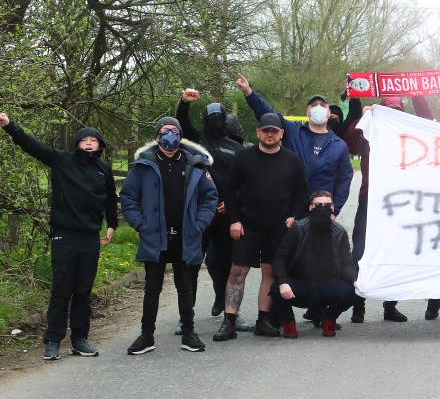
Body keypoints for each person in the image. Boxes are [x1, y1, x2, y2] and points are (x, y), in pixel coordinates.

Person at [0, 113, 118, 360]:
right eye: (85, 139)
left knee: (83, 291)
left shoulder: (103, 169)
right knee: (62, 290)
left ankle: (79, 340)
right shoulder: (61, 160)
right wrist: (10, 126)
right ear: (77, 143)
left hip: (90, 237)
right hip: (65, 236)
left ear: (100, 145)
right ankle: (52, 340)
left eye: (94, 140)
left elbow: (111, 200)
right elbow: (32, 145)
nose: (89, 143)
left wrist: (112, 225)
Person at [121, 117, 218, 354]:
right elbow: (128, 197)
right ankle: (146, 336)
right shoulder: (144, 164)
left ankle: (188, 333)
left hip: (186, 235)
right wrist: (139, 224)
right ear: (157, 136)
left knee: (185, 286)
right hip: (154, 235)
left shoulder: (195, 163)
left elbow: (210, 197)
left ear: (181, 135)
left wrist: (199, 224)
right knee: (152, 288)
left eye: (175, 131)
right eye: (165, 131)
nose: (170, 136)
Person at [214, 113, 309, 342]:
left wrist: (293, 216)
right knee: (237, 272)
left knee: (270, 273)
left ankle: (263, 320)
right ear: (258, 132)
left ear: (281, 134)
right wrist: (234, 220)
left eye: (274, 131)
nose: (269, 134)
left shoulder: (291, 160)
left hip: (277, 229)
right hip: (247, 227)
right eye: (265, 130)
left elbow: (301, 192)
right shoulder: (244, 157)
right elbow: (229, 188)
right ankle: (229, 321)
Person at [342, 95, 431, 323]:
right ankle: (358, 306)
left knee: (394, 251)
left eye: (397, 111)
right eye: (389, 111)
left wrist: (417, 94)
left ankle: (390, 306)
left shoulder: (409, 136)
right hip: (368, 200)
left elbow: (428, 124)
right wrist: (361, 112)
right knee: (361, 252)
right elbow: (349, 140)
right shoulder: (368, 134)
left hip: (399, 203)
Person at [175, 89, 248, 330]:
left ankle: (229, 312)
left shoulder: (235, 148)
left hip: (226, 215)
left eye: (219, 118)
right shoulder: (196, 143)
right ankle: (186, 315)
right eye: (211, 118)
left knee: (227, 265)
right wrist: (184, 104)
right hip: (198, 214)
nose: (215, 123)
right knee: (191, 264)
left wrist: (233, 202)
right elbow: (183, 125)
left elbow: (245, 182)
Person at [236, 74, 352, 214]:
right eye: (314, 105)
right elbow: (268, 114)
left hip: (320, 211)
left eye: (322, 105)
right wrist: (249, 92)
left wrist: (334, 212)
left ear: (329, 113)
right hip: (288, 207)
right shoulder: (293, 131)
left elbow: (343, 182)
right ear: (307, 111)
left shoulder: (339, 146)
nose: (318, 108)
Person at [270, 191, 358, 338]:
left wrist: (355, 280)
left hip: (326, 285)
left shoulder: (340, 232)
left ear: (332, 208)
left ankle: (329, 318)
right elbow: (279, 258)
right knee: (276, 288)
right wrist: (283, 282)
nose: (322, 208)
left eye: (327, 205)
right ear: (310, 208)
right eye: (318, 205)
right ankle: (289, 322)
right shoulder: (298, 229)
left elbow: (347, 262)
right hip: (299, 285)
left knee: (353, 291)